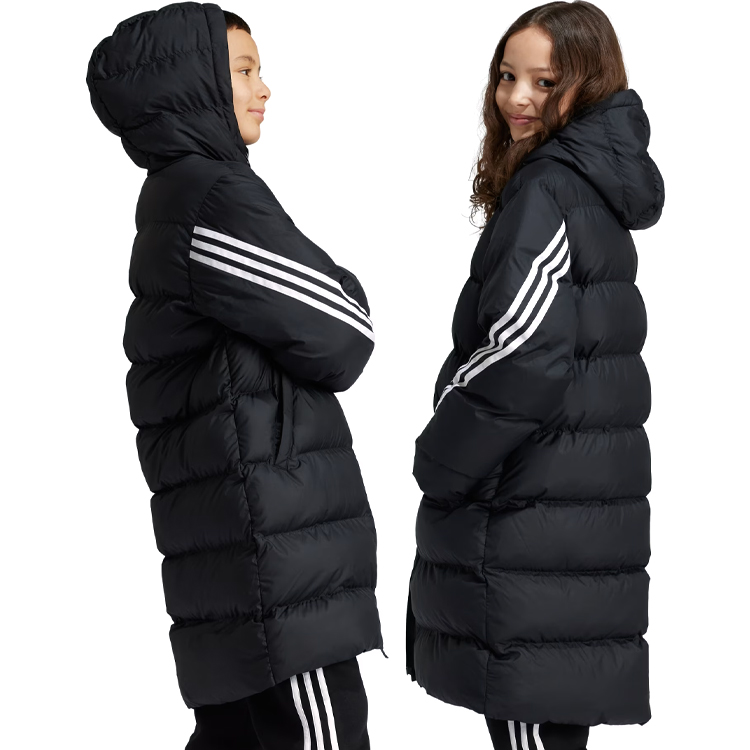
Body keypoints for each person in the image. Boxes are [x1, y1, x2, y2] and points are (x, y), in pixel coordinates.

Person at [86, 3, 382, 748]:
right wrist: (345, 285)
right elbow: (345, 330)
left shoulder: (175, 201)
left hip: (238, 563)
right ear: (193, 87)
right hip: (275, 570)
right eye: (245, 71)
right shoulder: (212, 199)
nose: (265, 88)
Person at [404, 2, 664, 749]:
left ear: (589, 85)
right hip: (574, 517)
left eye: (544, 82)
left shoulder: (547, 187)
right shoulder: (589, 186)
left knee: (529, 727)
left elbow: (522, 350)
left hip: (527, 513)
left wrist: (440, 455)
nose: (516, 98)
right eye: (506, 76)